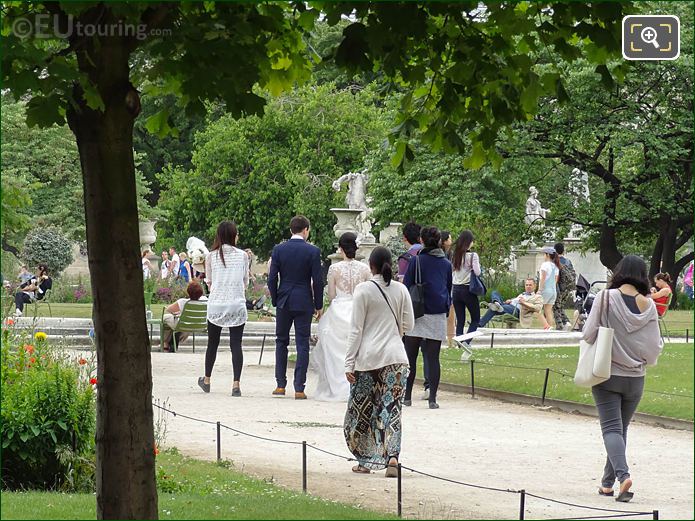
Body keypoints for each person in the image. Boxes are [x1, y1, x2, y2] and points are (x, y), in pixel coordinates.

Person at [583, 255, 662, 503]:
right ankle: (607, 484)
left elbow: (588, 333)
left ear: (619, 272)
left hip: (606, 373)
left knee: (611, 429)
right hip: (636, 377)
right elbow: (653, 347)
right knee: (620, 429)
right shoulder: (649, 305)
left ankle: (623, 476)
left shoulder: (605, 297)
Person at [344, 246, 414, 476]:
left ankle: (365, 460)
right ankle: (392, 457)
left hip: (368, 359)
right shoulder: (401, 290)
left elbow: (356, 330)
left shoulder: (363, 290)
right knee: (391, 410)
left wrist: (348, 362)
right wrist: (394, 334)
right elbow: (409, 325)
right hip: (396, 357)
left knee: (363, 412)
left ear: (371, 266)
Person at [268, 215, 324, 400]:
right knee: (302, 343)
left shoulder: (279, 249)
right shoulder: (313, 251)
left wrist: (276, 299)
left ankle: (280, 384)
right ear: (306, 229)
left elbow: (272, 278)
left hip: (284, 299)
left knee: (281, 341)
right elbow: (317, 280)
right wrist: (318, 305)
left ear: (291, 229)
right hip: (304, 300)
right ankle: (299, 387)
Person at [312, 233, 371, 402]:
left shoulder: (334, 269)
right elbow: (368, 292)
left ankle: (338, 386)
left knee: (335, 352)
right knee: (357, 350)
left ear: (341, 248)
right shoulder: (365, 268)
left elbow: (331, 295)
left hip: (339, 310)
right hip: (358, 310)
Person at [197, 221, 249, 396]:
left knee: (213, 343)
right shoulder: (243, 255)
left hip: (217, 303)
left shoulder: (211, 257)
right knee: (236, 344)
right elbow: (245, 281)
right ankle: (236, 384)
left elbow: (209, 281)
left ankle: (207, 379)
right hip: (236, 303)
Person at [403, 226, 452, 409]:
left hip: (417, 311)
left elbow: (407, 286)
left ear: (421, 241)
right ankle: (432, 398)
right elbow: (448, 288)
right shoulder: (446, 264)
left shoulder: (415, 261)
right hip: (437, 311)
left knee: (410, 357)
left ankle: (407, 396)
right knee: (433, 358)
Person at [451, 230, 481, 342]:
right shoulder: (473, 255)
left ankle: (459, 341)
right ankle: (467, 341)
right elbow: (477, 272)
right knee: (475, 318)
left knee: (460, 319)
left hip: (456, 289)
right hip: (468, 289)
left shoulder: (455, 255)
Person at [162, 281, 206, 352]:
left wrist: (177, 312)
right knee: (176, 321)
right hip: (197, 325)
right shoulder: (205, 300)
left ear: (188, 292)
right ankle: (168, 343)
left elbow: (169, 309)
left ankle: (165, 342)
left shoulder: (183, 302)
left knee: (166, 317)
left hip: (182, 324)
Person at [553, 242, 576, 331]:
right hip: (568, 288)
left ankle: (560, 326)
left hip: (559, 288)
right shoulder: (568, 261)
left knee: (556, 306)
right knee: (561, 306)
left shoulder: (555, 262)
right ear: (563, 251)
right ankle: (566, 322)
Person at [538, 246, 560, 330]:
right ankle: (550, 327)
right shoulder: (556, 266)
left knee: (537, 308)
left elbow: (542, 278)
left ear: (547, 255)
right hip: (553, 291)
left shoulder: (545, 265)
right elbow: (555, 280)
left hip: (545, 290)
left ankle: (546, 326)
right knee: (548, 310)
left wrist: (540, 290)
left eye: (544, 254)